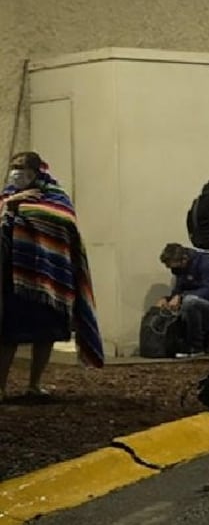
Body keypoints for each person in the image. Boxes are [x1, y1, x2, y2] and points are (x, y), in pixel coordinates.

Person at [0, 152, 104, 400]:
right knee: (8, 336)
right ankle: (1, 387)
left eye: (21, 167)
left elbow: (65, 225)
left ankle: (34, 385)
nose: (16, 172)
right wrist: (12, 205)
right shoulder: (5, 197)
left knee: (45, 334)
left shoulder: (56, 199)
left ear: (35, 171)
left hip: (51, 281)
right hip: (14, 278)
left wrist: (28, 211)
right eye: (13, 167)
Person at [158, 243, 209, 357]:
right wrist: (167, 300)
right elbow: (178, 292)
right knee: (184, 303)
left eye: (175, 267)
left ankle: (196, 348)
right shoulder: (181, 271)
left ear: (184, 259)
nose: (174, 271)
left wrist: (181, 297)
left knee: (190, 302)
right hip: (196, 310)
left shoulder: (208, 263)